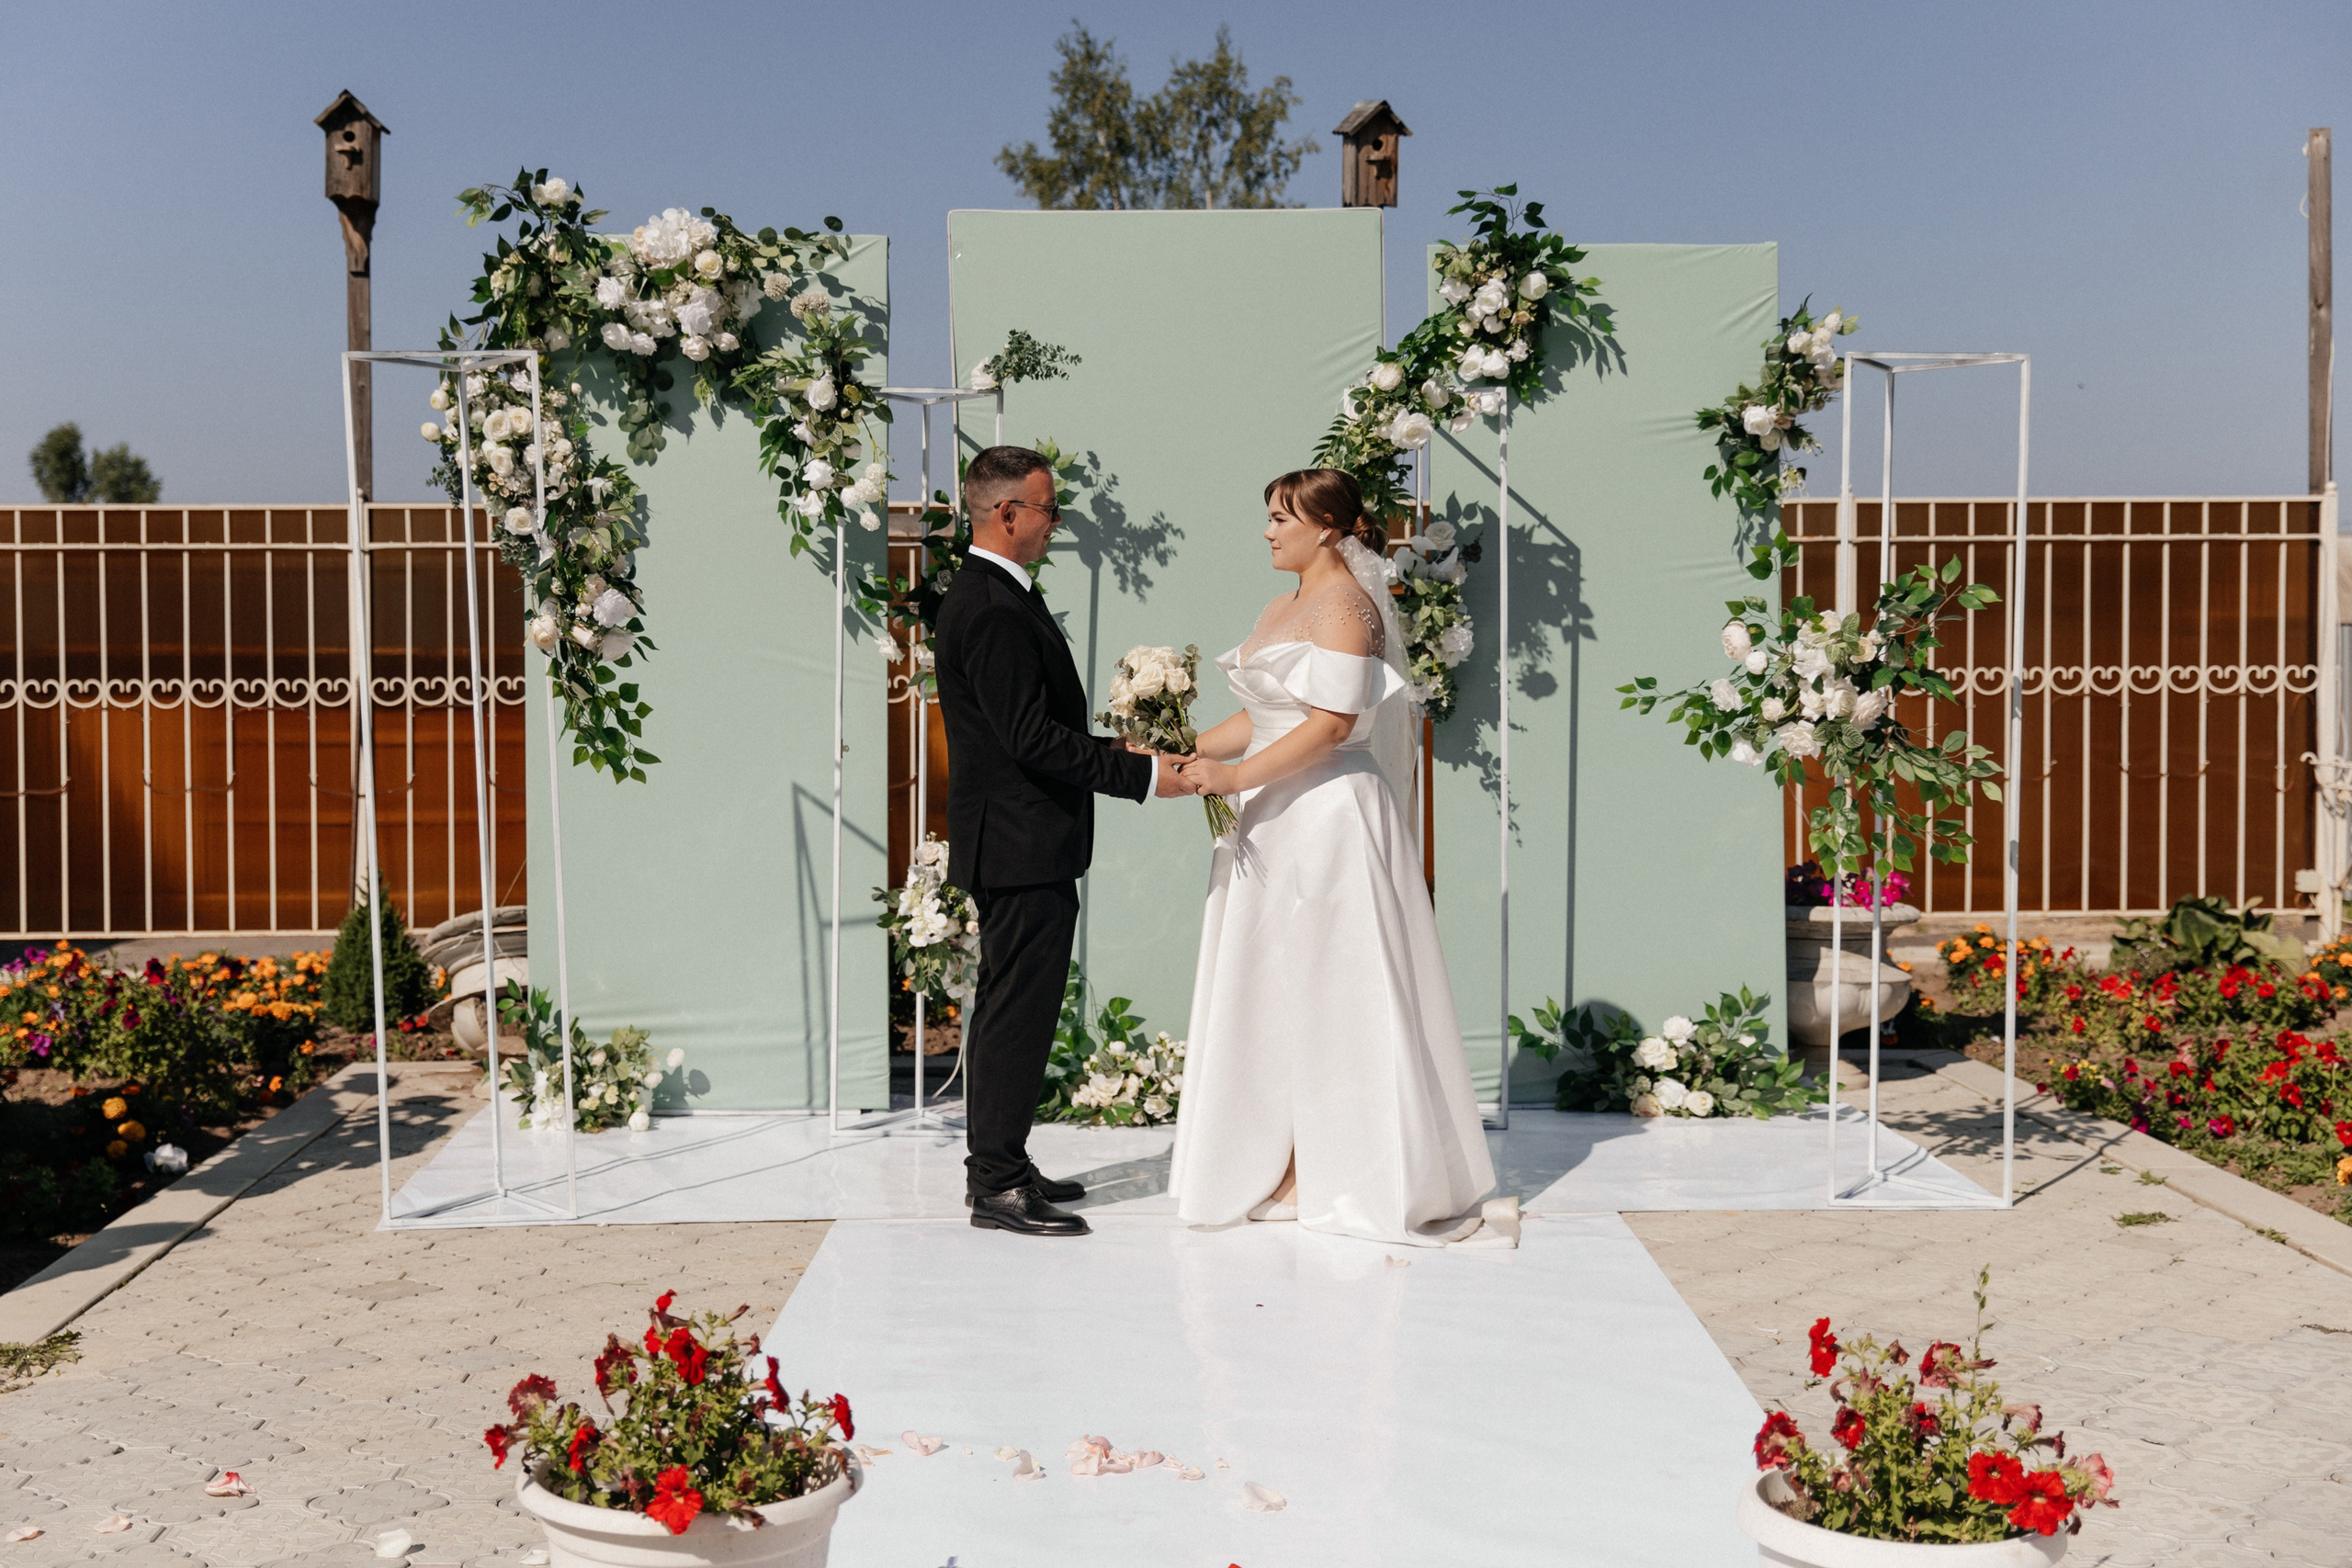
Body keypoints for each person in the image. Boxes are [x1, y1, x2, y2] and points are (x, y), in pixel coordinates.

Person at [1169, 468, 1501, 1247]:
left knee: (1336, 985)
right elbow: (1258, 718)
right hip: (1269, 820)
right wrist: (1179, 755)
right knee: (1271, 986)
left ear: (1327, 526)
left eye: (1281, 516)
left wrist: (1232, 778)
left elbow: (1327, 725)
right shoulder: (1276, 607)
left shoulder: (1350, 609)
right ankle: (1275, 1155)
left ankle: (1345, 1164)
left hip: (1329, 818)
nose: (1267, 530)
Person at [931, 446, 1194, 1237]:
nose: (1056, 523)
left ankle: (1001, 1160)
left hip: (1022, 839)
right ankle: (998, 1185)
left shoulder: (995, 594)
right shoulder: (990, 606)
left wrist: (1124, 752)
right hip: (1017, 843)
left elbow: (1036, 732)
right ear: (1007, 513)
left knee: (1019, 1007)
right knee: (1015, 1009)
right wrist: (1146, 778)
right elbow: (1031, 741)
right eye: (1048, 509)